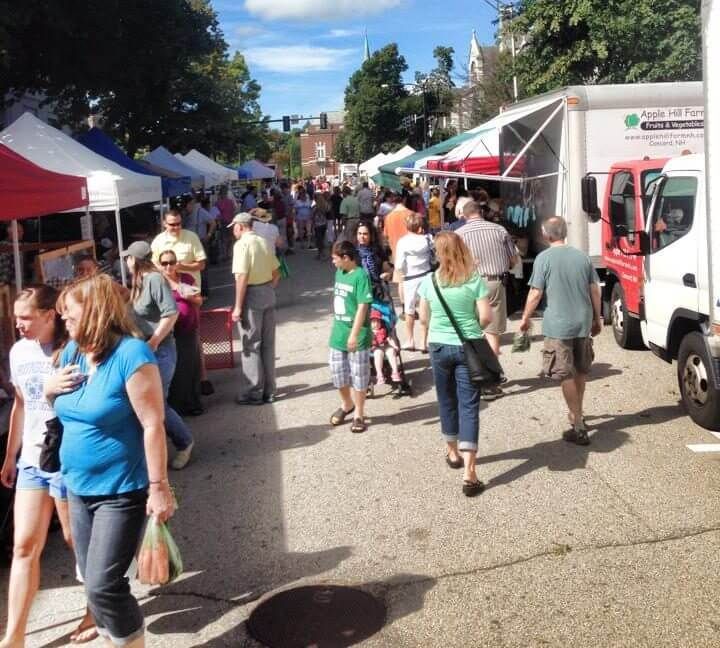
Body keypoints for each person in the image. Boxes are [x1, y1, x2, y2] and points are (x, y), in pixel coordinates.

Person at [48, 274, 176, 648]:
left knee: (105, 586)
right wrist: (47, 389)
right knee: (92, 583)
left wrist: (159, 488)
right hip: (77, 487)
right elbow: (59, 403)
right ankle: (114, 640)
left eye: (68, 314)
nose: (63, 321)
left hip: (121, 490)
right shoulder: (73, 352)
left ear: (94, 311)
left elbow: (153, 424)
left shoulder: (132, 356)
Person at [0, 286, 98, 647]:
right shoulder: (18, 351)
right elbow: (21, 405)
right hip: (31, 461)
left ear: (49, 315)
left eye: (26, 317)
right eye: (16, 317)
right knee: (24, 545)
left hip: (66, 458)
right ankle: (15, 635)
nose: (18, 323)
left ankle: (95, 606)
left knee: (77, 539)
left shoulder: (72, 349)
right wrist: (11, 455)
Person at [417, 231, 491, 497]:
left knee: (446, 400)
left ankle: (452, 452)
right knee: (469, 405)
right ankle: (470, 471)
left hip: (438, 345)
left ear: (438, 253)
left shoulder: (429, 281)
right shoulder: (473, 279)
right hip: (467, 346)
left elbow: (423, 318)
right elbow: (486, 316)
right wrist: (470, 328)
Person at [519, 216, 602, 445]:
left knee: (564, 373)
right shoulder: (582, 257)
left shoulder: (543, 258)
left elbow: (535, 293)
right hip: (582, 322)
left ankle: (577, 424)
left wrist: (525, 318)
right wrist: (597, 318)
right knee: (581, 371)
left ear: (546, 235)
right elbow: (595, 290)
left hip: (558, 324)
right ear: (564, 233)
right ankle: (578, 413)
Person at [123, 241, 195, 469]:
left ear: (134, 259)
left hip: (160, 350)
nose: (125, 261)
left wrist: (154, 341)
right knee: (150, 401)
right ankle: (156, 451)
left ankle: (184, 442)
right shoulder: (139, 281)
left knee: (155, 402)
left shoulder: (154, 279)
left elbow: (170, 314)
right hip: (145, 351)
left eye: (128, 257)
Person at [456, 200, 519, 399]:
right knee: (492, 332)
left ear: (465, 215)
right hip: (494, 282)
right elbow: (513, 260)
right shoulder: (500, 230)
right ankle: (492, 376)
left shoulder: (459, 235)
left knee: (472, 330)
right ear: (481, 212)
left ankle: (476, 375)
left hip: (468, 285)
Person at [230, 212, 281, 405]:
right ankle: (270, 390)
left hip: (251, 294)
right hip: (267, 290)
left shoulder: (242, 245)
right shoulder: (262, 241)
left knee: (251, 345)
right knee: (268, 344)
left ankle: (253, 391)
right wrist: (267, 287)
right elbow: (276, 272)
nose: (233, 231)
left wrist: (237, 306)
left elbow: (242, 277)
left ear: (241, 226)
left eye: (234, 227)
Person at [328, 240, 373, 433]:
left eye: (335, 258)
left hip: (357, 335)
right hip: (338, 334)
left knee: (359, 376)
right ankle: (347, 404)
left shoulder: (361, 276)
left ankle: (359, 413)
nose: (333, 262)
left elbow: (363, 306)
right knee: (338, 374)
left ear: (346, 258)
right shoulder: (340, 272)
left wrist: (354, 334)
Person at [159, 250, 204, 417]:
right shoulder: (159, 282)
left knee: (191, 366)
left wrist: (182, 291)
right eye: (164, 263)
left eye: (171, 262)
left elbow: (199, 300)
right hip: (169, 331)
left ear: (177, 262)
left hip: (188, 327)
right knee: (175, 368)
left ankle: (193, 403)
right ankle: (176, 406)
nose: (168, 266)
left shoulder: (186, 278)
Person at [394, 212, 433, 352]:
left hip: (410, 278)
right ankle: (424, 341)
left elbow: (399, 265)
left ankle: (410, 340)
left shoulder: (403, 242)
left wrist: (403, 272)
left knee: (409, 310)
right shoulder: (428, 239)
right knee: (425, 308)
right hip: (427, 275)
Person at [151, 209, 207, 293]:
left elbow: (202, 265)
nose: (176, 227)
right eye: (172, 225)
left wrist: (182, 267)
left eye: (179, 224)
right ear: (164, 224)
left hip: (191, 289)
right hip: (168, 289)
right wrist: (166, 269)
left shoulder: (192, 237)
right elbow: (154, 265)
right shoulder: (158, 241)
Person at [354, 221, 390, 299]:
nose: (362, 236)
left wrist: (387, 274)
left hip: (377, 291)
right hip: (360, 292)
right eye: (359, 233)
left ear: (371, 235)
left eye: (365, 234)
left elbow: (388, 269)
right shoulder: (353, 252)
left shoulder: (378, 250)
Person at [370, 309, 401, 385]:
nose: (376, 324)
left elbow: (389, 339)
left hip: (386, 346)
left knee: (391, 352)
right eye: (373, 322)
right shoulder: (369, 333)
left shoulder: (384, 330)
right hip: (376, 348)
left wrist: (394, 346)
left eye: (378, 321)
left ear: (381, 322)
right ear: (370, 323)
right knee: (378, 354)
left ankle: (395, 372)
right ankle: (379, 374)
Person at [313, 191, 331, 260]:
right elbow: (328, 210)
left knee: (319, 240)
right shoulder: (325, 205)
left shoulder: (316, 206)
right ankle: (320, 254)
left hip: (317, 224)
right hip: (324, 223)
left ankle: (322, 254)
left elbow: (313, 215)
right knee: (322, 239)